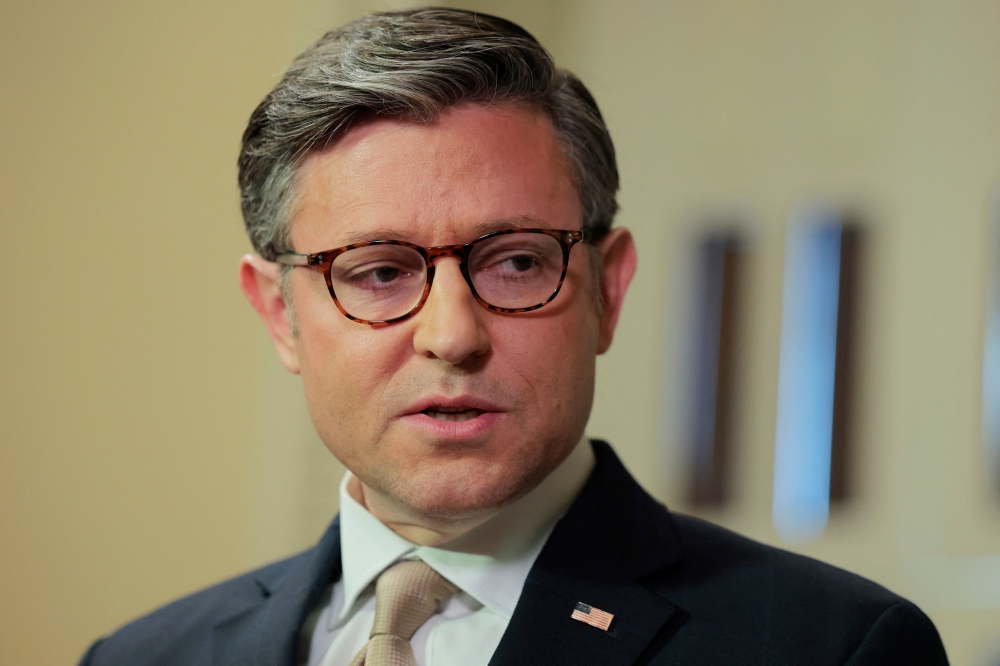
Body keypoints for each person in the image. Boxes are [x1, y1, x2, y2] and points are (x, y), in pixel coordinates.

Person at [79, 8, 948, 666]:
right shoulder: (141, 658)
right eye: (379, 272)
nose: (452, 335)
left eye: (518, 263)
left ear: (607, 290)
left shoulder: (834, 646)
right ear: (281, 315)